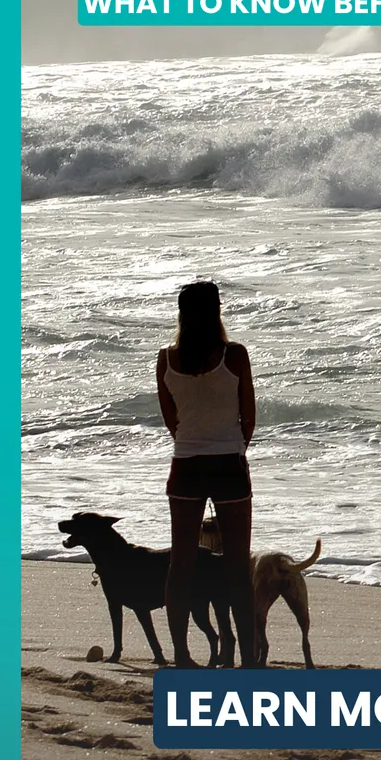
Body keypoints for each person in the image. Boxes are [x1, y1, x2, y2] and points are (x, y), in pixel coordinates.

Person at [156, 280, 257, 668]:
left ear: (182, 314)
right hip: (228, 463)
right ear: (216, 311)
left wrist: (194, 441)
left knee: (181, 563)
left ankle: (182, 654)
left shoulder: (166, 358)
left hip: (185, 464)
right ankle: (248, 658)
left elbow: (171, 420)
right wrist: (233, 445)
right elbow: (248, 416)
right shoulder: (234, 355)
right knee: (236, 565)